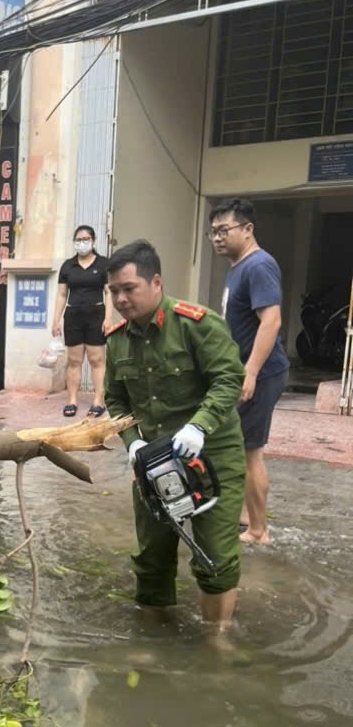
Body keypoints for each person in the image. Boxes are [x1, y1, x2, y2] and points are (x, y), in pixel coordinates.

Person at [104, 239, 246, 638]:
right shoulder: (116, 340)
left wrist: (199, 425)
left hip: (211, 454)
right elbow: (115, 398)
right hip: (153, 460)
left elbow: (229, 378)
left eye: (128, 289)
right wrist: (131, 442)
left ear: (156, 283)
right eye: (113, 291)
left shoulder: (196, 325)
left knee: (215, 553)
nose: (120, 299)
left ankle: (217, 640)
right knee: (152, 553)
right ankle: (154, 638)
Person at [210, 199, 290, 545]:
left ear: (247, 229)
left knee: (249, 450)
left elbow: (271, 321)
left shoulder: (259, 265)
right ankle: (246, 516)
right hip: (244, 371)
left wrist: (251, 372)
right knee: (239, 446)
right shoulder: (239, 266)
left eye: (223, 230)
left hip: (261, 372)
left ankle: (259, 531)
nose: (216, 238)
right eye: (212, 232)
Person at [52, 226, 113, 418]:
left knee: (97, 360)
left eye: (86, 239)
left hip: (96, 315)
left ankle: (98, 400)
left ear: (93, 241)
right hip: (73, 316)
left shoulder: (104, 264)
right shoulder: (68, 266)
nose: (82, 242)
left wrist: (108, 318)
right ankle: (72, 400)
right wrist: (55, 320)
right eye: (78, 239)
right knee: (74, 360)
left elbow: (109, 292)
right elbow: (62, 294)